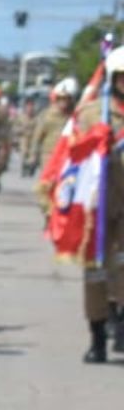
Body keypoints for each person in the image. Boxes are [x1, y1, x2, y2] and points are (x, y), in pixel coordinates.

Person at [76, 47, 124, 363]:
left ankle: (120, 323)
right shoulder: (93, 112)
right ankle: (96, 337)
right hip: (99, 204)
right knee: (94, 273)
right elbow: (74, 156)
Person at [27, 77, 77, 182]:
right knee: (48, 186)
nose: (64, 102)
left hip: (68, 158)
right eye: (61, 98)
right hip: (49, 157)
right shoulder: (46, 115)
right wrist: (33, 157)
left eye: (67, 98)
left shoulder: (75, 116)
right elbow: (37, 138)